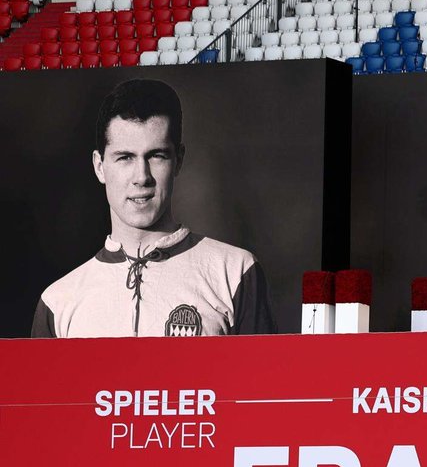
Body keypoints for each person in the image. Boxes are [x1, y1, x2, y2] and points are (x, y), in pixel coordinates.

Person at [32, 79, 276, 338]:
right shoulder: (58, 303)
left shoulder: (235, 272)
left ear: (178, 160)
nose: (142, 177)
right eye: (125, 157)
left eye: (156, 156)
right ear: (99, 166)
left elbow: (264, 378)